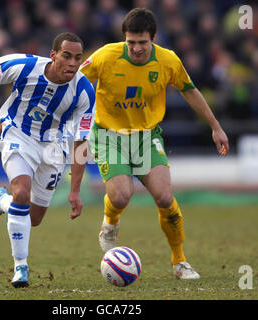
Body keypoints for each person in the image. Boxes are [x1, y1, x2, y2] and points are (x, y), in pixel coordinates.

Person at [80, 8, 229, 279]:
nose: (136, 48)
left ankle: (180, 262)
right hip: (109, 135)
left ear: (154, 39)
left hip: (147, 136)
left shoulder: (168, 60)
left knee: (164, 197)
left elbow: (190, 91)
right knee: (121, 196)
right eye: (131, 42)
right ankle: (110, 222)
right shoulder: (105, 56)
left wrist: (215, 127)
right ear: (124, 38)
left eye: (142, 43)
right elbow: (74, 81)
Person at [0, 32, 96, 288]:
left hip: (54, 146)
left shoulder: (84, 90)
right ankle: (20, 266)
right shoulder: (25, 66)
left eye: (77, 58)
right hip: (18, 133)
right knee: (21, 193)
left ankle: (0, 202)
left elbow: (81, 141)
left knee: (34, 218)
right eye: (66, 56)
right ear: (53, 55)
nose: (73, 63)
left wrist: (75, 190)